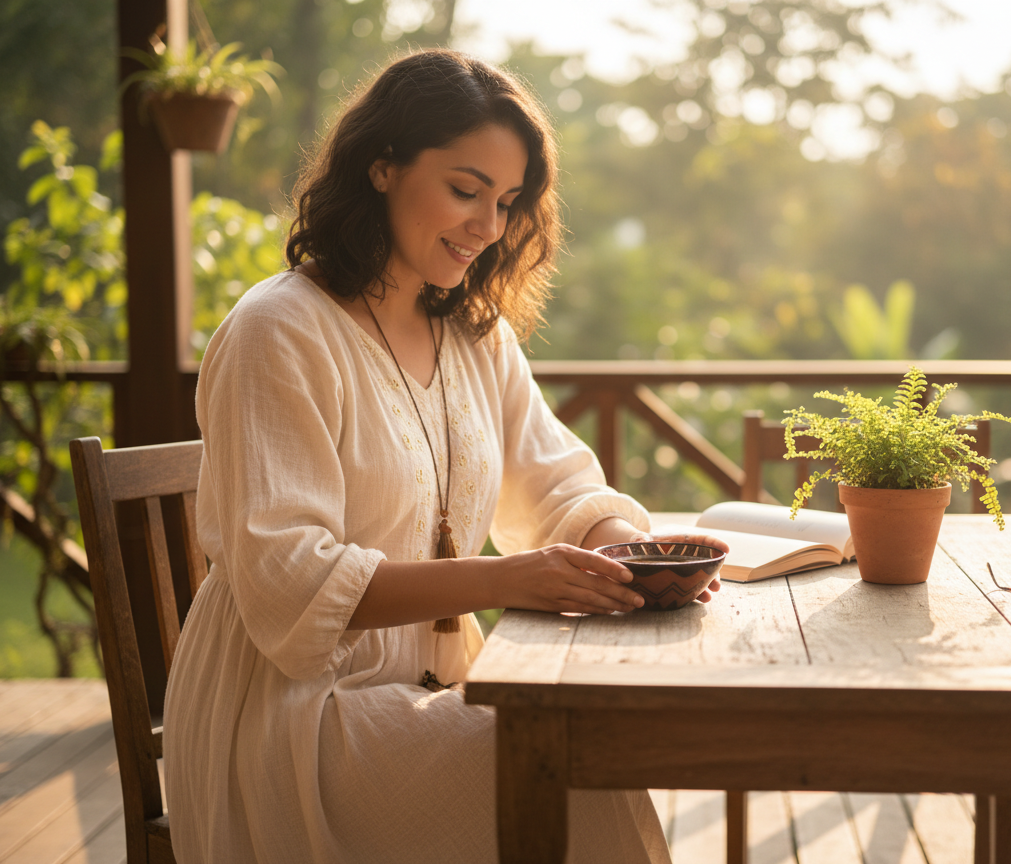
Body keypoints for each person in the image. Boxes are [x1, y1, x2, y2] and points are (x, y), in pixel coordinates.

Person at [165, 48, 726, 863]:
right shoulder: (276, 331)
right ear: (382, 167)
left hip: (430, 688)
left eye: (505, 201)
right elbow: (290, 582)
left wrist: (630, 562)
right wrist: (505, 580)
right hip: (296, 717)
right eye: (466, 190)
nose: (489, 226)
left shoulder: (471, 333)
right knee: (575, 776)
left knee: (586, 757)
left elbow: (556, 483)